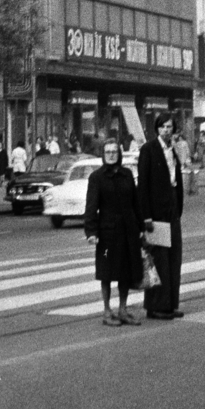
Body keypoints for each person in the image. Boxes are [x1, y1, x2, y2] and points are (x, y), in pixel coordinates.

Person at [84, 136, 146, 325]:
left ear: (119, 154)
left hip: (128, 231)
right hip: (107, 234)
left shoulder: (127, 174)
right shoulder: (97, 177)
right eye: (107, 152)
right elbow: (91, 206)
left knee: (126, 272)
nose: (111, 155)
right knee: (107, 273)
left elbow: (136, 202)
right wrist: (91, 232)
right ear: (103, 155)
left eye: (114, 152)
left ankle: (123, 309)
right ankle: (106, 311)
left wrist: (141, 227)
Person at [137, 112, 184, 320]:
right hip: (155, 214)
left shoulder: (172, 150)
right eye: (163, 127)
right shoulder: (149, 150)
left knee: (174, 258)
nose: (166, 130)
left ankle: (170, 303)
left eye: (169, 127)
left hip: (172, 211)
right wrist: (146, 216)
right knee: (158, 260)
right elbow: (143, 185)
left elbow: (176, 180)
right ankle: (155, 306)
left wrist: (178, 207)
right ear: (157, 129)